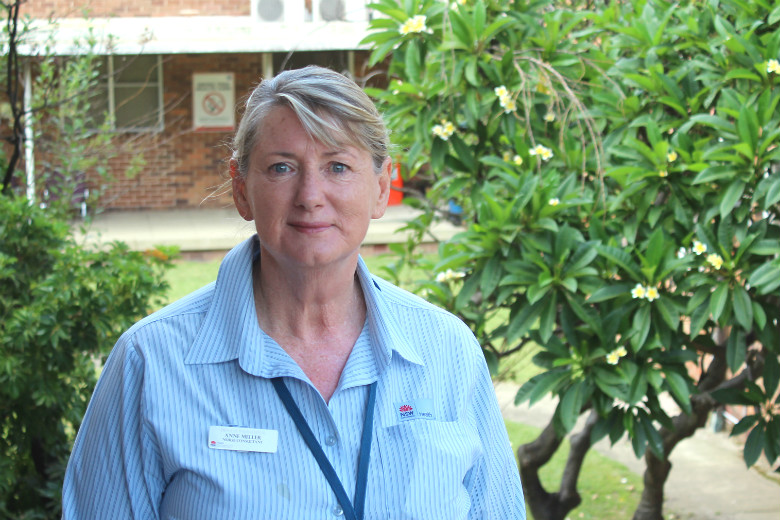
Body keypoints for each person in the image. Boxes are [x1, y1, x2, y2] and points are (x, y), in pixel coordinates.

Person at [62, 65, 525, 519]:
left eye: (338, 167)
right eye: (282, 167)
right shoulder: (151, 362)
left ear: (382, 189)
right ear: (242, 190)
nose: (310, 195)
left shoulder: (446, 350)